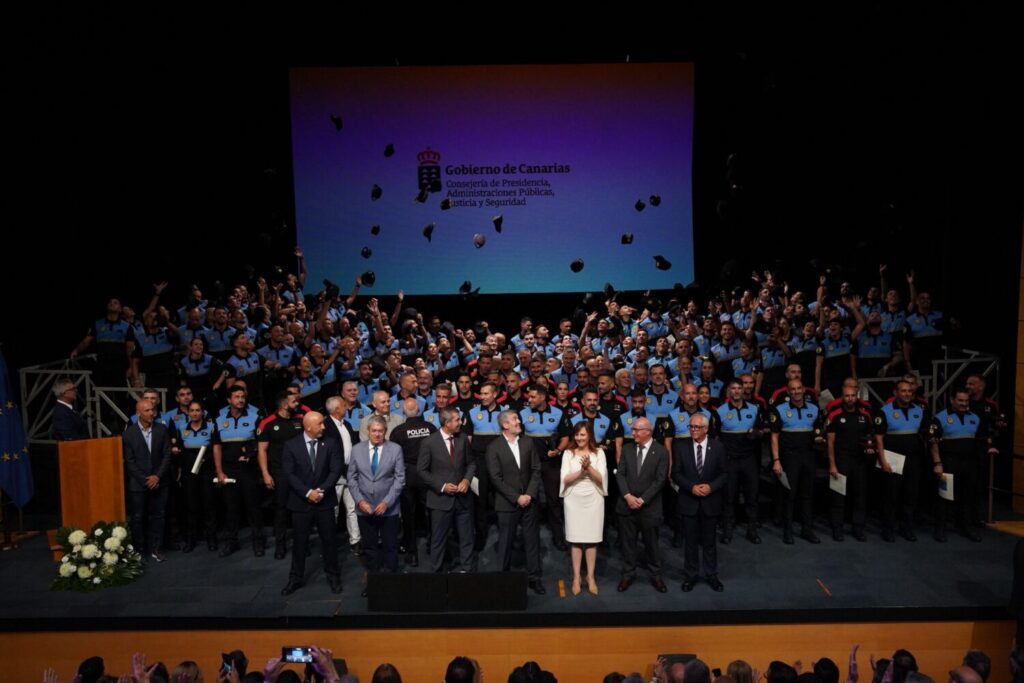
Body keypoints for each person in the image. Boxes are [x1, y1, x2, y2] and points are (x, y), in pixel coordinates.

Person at [280, 412, 344, 596]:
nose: (323, 427)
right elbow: (289, 474)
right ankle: (295, 578)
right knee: (300, 543)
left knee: (330, 542)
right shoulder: (291, 445)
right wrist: (308, 493)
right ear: (308, 427)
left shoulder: (330, 443)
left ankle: (333, 576)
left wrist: (321, 491)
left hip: (324, 501)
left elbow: (335, 469)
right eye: (320, 424)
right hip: (301, 503)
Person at [486, 410, 545, 594]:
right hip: (507, 503)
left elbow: (536, 470)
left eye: (517, 419)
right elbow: (496, 478)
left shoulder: (528, 442)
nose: (519, 421)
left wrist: (529, 494)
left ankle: (534, 578)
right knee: (505, 541)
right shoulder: (493, 447)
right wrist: (516, 497)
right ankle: (502, 579)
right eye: (514, 419)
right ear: (505, 425)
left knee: (532, 541)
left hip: (529, 501)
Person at [348, 415, 405, 595]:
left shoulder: (395, 450)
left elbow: (400, 479)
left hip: (388, 507)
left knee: (390, 546)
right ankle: (373, 582)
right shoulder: (356, 450)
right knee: (370, 547)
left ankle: (389, 582)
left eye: (381, 431)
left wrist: (386, 502)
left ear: (385, 432)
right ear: (368, 431)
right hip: (364, 507)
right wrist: (360, 501)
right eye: (374, 431)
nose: (377, 434)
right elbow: (351, 478)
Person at [418, 407, 476, 573]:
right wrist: (442, 486)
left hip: (463, 499)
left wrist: (466, 479)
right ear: (446, 422)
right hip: (440, 500)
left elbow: (471, 463)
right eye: (457, 420)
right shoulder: (429, 442)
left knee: (466, 538)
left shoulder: (463, 439)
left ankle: (467, 570)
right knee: (438, 539)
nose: (461, 423)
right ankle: (436, 572)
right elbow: (422, 470)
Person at [615, 417, 669, 593]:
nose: (633, 433)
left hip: (649, 508)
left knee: (652, 544)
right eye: (632, 430)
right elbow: (620, 474)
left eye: (636, 430)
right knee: (628, 543)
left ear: (648, 431)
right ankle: (628, 574)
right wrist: (628, 496)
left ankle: (656, 576)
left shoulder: (661, 452)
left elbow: (660, 480)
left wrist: (642, 500)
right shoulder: (627, 449)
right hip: (627, 506)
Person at [673, 413, 726, 591]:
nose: (693, 430)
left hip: (711, 501)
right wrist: (691, 487)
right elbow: (676, 474)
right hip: (689, 501)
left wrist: (711, 487)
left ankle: (711, 574)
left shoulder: (718, 447)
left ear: (706, 429)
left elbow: (724, 473)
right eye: (691, 427)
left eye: (697, 427)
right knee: (690, 542)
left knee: (710, 542)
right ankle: (691, 575)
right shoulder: (681, 447)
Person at [560, 421, 607, 596]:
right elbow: (565, 479)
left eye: (583, 435)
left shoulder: (599, 453)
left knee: (592, 539)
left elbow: (602, 479)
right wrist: (581, 471)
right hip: (574, 499)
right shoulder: (568, 453)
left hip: (593, 498)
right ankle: (576, 578)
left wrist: (589, 467)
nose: (579, 438)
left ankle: (591, 577)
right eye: (577, 435)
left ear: (589, 436)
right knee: (576, 539)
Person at [122, 398, 173, 561]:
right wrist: (146, 479)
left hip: (160, 481)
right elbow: (129, 461)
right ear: (138, 414)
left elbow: (167, 454)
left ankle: (157, 549)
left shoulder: (161, 429)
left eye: (153, 410)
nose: (152, 413)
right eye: (147, 410)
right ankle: (139, 550)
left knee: (159, 516)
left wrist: (157, 476)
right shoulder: (128, 434)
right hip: (138, 484)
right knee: (137, 518)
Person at [178, 400, 217, 552]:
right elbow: (180, 451)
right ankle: (191, 540)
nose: (194, 413)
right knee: (191, 507)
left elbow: (215, 450)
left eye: (197, 410)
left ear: (203, 412)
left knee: (209, 506)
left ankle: (211, 539)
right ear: (188, 413)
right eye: (192, 410)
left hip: (206, 471)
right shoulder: (182, 428)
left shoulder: (212, 428)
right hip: (189, 473)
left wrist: (206, 459)